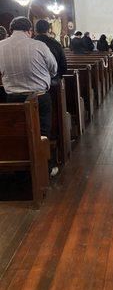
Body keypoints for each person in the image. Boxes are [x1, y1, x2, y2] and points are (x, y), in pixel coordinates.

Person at [0, 17, 59, 177]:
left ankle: (19, 169)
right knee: (42, 131)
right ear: (29, 30)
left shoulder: (1, 46)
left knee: (18, 132)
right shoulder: (39, 45)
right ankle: (44, 169)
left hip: (12, 98)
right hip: (38, 97)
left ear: (11, 29)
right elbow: (54, 69)